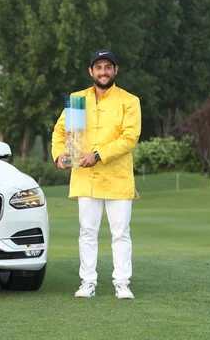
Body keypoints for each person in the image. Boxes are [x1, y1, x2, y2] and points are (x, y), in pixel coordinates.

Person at [51, 49, 141, 299]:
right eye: (98, 67)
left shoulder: (129, 100)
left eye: (108, 67)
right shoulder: (77, 99)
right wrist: (59, 154)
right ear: (91, 71)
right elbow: (60, 132)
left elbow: (130, 138)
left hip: (118, 179)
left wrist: (98, 154)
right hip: (85, 177)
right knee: (87, 232)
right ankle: (87, 282)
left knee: (121, 233)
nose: (103, 72)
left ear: (116, 70)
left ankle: (122, 283)